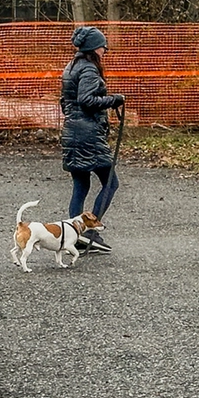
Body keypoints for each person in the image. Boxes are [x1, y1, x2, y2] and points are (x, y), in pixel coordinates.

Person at [61, 26, 125, 253]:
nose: (104, 50)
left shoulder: (71, 67)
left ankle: (74, 233)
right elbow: (87, 100)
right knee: (111, 183)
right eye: (102, 46)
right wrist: (113, 100)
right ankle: (90, 230)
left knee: (81, 184)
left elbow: (65, 102)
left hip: (72, 133)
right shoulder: (89, 69)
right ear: (94, 49)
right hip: (89, 136)